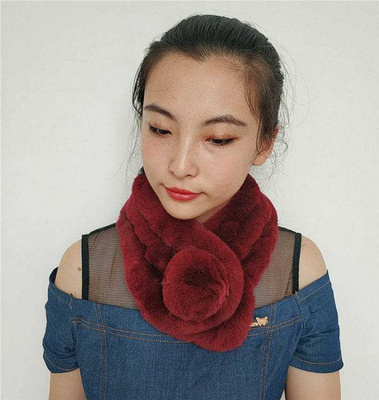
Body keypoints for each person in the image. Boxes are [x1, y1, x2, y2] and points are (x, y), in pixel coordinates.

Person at [42, 14, 344, 399]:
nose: (180, 165)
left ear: (265, 143)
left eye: (217, 138)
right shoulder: (82, 269)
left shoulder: (298, 271)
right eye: (160, 129)